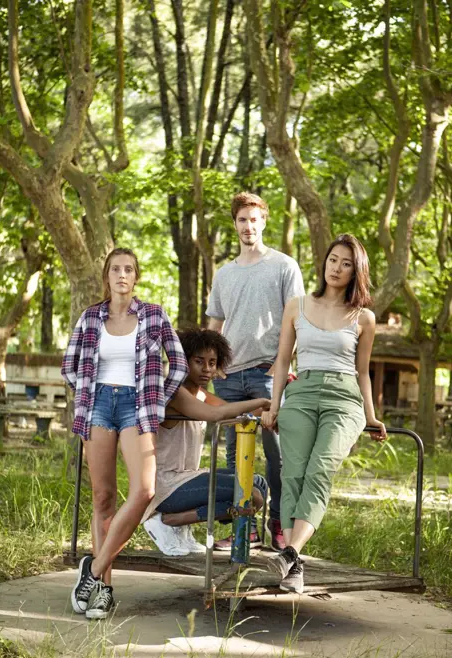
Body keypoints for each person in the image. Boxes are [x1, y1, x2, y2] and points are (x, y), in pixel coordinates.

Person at [61, 247, 188, 620]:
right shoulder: (89, 318)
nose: (121, 275)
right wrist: (88, 393)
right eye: (115, 268)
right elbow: (69, 367)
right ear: (107, 276)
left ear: (136, 277)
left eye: (128, 269)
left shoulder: (153, 315)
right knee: (102, 498)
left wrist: (156, 401)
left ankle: (94, 568)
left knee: (144, 491)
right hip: (98, 404)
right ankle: (103, 591)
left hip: (138, 405)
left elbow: (177, 364)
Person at [261, 233, 387, 595]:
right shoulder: (296, 305)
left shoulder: (364, 317)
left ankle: (289, 552)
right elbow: (284, 360)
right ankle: (293, 565)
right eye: (333, 259)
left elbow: (363, 371)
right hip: (300, 394)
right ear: (325, 262)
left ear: (355, 272)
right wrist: (273, 405)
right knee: (293, 474)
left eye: (346, 263)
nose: (337, 268)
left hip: (344, 398)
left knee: (320, 469)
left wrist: (371, 415)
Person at [207, 192, 304, 551]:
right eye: (242, 220)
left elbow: (295, 323)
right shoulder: (224, 273)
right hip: (230, 378)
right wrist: (210, 367)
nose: (248, 226)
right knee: (234, 459)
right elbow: (215, 324)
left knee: (277, 455)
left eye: (254, 219)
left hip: (268, 374)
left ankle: (280, 523)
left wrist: (285, 369)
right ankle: (242, 527)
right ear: (235, 225)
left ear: (264, 221)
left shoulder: (284, 266)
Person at [141, 328, 269, 556]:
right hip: (167, 486)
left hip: (188, 478)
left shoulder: (200, 395)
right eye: (199, 361)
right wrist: (260, 400)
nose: (207, 369)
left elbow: (229, 412)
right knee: (252, 494)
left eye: (212, 362)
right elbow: (218, 415)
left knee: (258, 483)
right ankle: (171, 520)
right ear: (182, 360)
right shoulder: (173, 393)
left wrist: (274, 408)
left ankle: (177, 523)